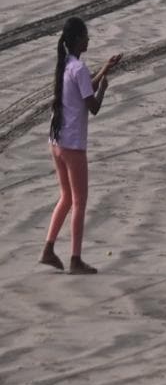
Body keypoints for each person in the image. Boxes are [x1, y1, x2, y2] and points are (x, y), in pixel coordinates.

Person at [40, 17, 122, 275]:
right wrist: (104, 89)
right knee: (79, 200)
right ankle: (75, 259)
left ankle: (49, 249)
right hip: (73, 144)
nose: (89, 39)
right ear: (76, 40)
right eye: (85, 36)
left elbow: (85, 88)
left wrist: (105, 69)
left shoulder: (67, 65)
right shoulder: (78, 68)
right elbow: (93, 106)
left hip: (57, 141)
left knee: (65, 197)